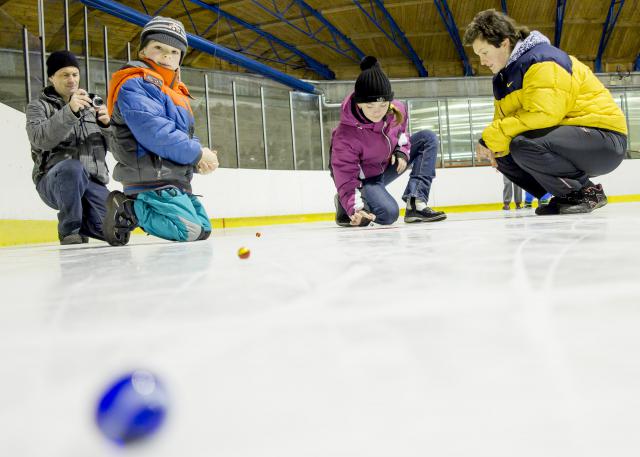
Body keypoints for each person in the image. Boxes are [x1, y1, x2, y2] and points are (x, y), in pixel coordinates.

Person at [464, 9, 628, 215]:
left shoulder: (542, 59)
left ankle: (587, 192)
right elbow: (504, 124)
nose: (482, 62)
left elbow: (544, 114)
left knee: (521, 145)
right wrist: (491, 146)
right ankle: (566, 194)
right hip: (570, 140)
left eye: (485, 53)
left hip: (604, 139)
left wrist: (490, 137)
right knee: (504, 154)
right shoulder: (503, 79)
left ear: (504, 43)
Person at [104, 16, 219, 246]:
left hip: (172, 178)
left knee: (204, 228)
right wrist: (196, 153)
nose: (167, 56)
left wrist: (198, 160)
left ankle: (139, 209)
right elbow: (156, 133)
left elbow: (184, 135)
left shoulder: (175, 92)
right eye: (159, 48)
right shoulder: (135, 83)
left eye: (175, 52)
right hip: (150, 177)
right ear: (143, 51)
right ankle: (129, 209)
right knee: (189, 230)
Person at [330, 56, 446, 227]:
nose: (377, 112)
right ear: (359, 103)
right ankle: (346, 202)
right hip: (363, 180)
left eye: (383, 105)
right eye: (370, 106)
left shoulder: (396, 111)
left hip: (384, 168)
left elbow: (402, 134)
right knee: (388, 214)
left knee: (427, 138)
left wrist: (401, 151)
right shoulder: (345, 135)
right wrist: (356, 210)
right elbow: (345, 175)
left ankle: (416, 202)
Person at [25, 50, 112, 244]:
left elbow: (115, 149)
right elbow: (40, 139)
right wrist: (70, 111)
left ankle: (87, 223)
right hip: (54, 181)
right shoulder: (38, 107)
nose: (71, 80)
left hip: (92, 183)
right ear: (51, 78)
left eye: (75, 74)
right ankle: (69, 229)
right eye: (65, 75)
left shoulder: (92, 106)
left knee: (116, 231)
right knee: (72, 168)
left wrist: (107, 126)